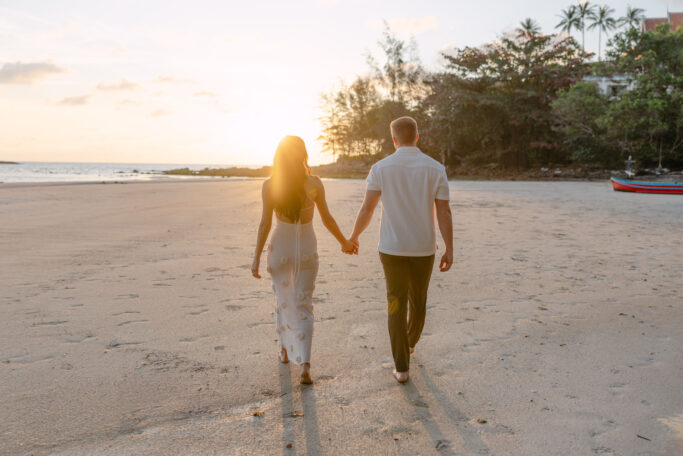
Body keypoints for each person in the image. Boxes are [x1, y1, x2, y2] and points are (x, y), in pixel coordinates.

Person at [348, 116, 453, 383]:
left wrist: (354, 236)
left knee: (395, 303)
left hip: (392, 248)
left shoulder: (381, 168)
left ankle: (401, 368)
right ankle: (408, 343)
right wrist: (449, 248)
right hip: (423, 247)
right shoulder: (435, 168)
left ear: (393, 139)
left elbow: (367, 209)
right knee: (418, 301)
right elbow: (444, 211)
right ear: (417, 137)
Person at [251, 136, 357, 384]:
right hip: (307, 248)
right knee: (304, 304)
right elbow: (327, 218)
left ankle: (286, 352)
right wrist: (344, 242)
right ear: (303, 155)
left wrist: (255, 256)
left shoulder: (270, 185)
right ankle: (305, 365)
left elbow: (265, 223)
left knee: (283, 300)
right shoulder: (315, 184)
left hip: (280, 248)